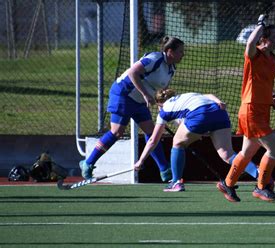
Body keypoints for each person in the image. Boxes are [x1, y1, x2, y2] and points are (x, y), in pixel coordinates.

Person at [79, 36, 185, 182]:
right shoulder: (155, 59)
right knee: (117, 132)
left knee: (152, 132)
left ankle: (165, 170)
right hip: (123, 94)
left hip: (140, 101)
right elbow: (132, 72)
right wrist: (146, 94)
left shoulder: (171, 69)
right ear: (169, 51)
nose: (182, 55)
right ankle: (88, 163)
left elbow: (161, 94)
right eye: (180, 52)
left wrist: (165, 110)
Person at [133, 90, 261, 192]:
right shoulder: (187, 96)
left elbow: (152, 140)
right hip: (219, 112)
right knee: (227, 154)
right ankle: (259, 174)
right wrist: (219, 101)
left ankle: (176, 182)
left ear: (159, 104)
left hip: (199, 115)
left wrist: (140, 161)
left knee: (177, 143)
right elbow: (209, 95)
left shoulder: (164, 111)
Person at [216, 14, 275, 203]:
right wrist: (260, 24)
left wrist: (273, 98)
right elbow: (250, 43)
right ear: (263, 38)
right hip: (251, 109)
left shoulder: (272, 58)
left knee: (248, 151)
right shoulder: (254, 54)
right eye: (274, 37)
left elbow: (264, 84)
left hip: (262, 108)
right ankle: (261, 187)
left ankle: (227, 184)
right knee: (274, 147)